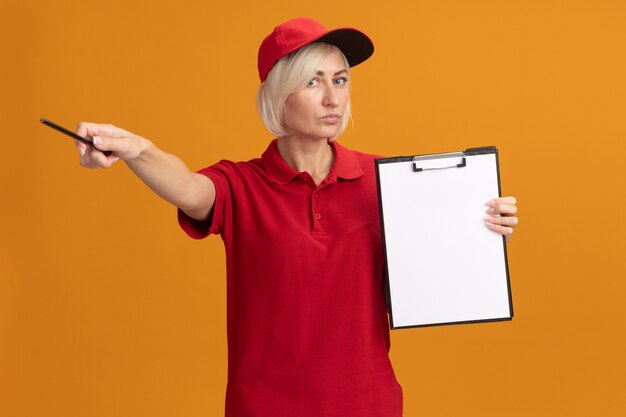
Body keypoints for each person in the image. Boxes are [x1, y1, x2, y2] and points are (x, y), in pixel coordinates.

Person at [75, 17, 518, 417]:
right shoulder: (241, 184)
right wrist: (135, 149)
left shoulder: (386, 180)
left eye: (340, 80)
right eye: (312, 81)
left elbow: (438, 271)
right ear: (276, 93)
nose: (332, 98)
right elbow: (189, 188)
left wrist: (481, 231)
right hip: (265, 407)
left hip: (369, 405)